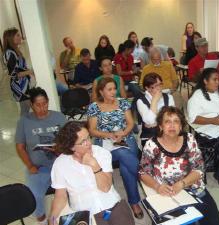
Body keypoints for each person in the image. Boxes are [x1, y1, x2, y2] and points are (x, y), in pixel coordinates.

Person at [139, 106, 219, 225]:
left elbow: (199, 168)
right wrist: (157, 187)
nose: (172, 125)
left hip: (193, 188)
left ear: (181, 126)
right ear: (161, 126)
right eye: (167, 121)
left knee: (215, 222)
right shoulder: (151, 145)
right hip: (165, 193)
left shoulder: (189, 139)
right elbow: (143, 173)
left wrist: (181, 184)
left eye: (176, 121)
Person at [49, 121, 135, 225]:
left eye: (88, 137)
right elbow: (60, 196)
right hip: (84, 215)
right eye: (83, 141)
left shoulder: (102, 153)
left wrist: (94, 165)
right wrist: (52, 220)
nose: (89, 143)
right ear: (71, 147)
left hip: (111, 207)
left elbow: (105, 188)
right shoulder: (60, 164)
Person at [87, 77, 143, 218]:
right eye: (109, 89)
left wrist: (122, 133)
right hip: (104, 142)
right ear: (101, 91)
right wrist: (110, 135)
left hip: (125, 138)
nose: (114, 92)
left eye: (114, 88)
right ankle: (145, 176)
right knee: (125, 155)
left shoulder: (123, 102)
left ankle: (131, 202)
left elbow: (130, 123)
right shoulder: (94, 106)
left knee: (125, 166)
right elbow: (92, 130)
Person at [15, 87, 66, 224]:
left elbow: (70, 140)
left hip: (61, 163)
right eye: (38, 105)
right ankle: (42, 220)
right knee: (34, 195)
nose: (42, 108)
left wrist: (60, 148)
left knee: (73, 187)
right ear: (31, 105)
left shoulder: (59, 117)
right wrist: (30, 165)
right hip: (39, 167)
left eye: (45, 104)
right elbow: (20, 147)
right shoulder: (24, 121)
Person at [137, 73, 175, 147]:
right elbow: (150, 121)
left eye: (160, 84)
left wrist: (155, 123)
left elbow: (172, 117)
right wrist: (154, 100)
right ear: (147, 88)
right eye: (154, 86)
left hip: (168, 133)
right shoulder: (140, 101)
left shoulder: (169, 97)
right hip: (150, 136)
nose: (159, 88)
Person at [3, 27, 35, 115]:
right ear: (11, 38)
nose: (20, 37)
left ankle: (25, 127)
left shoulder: (15, 51)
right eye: (17, 35)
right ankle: (22, 128)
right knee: (25, 111)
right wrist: (31, 72)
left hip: (23, 85)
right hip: (20, 87)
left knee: (26, 110)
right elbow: (14, 74)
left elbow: (21, 68)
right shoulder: (10, 53)